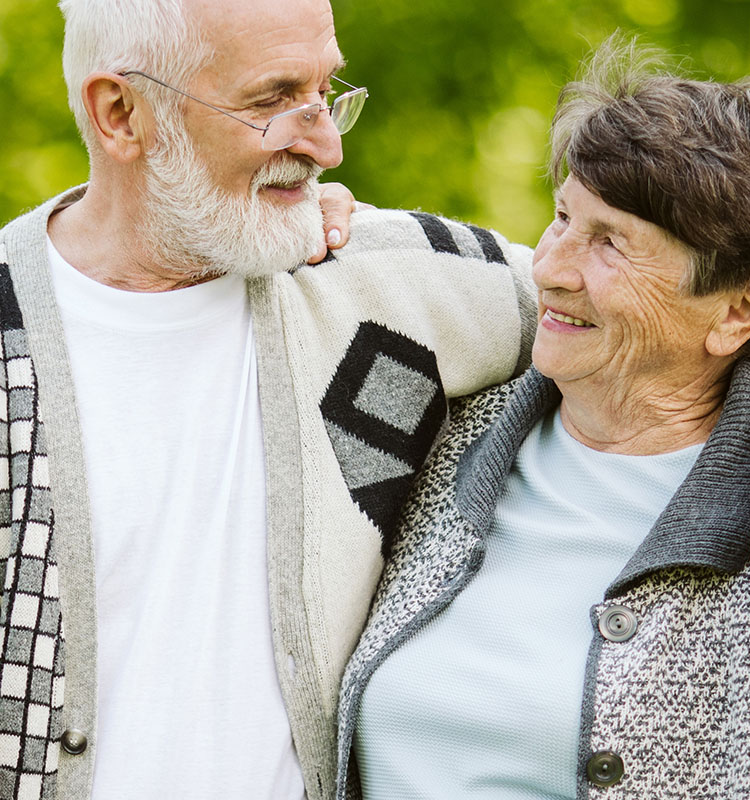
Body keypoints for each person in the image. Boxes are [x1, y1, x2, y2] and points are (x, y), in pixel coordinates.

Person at [0, 1, 540, 799]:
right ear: (121, 114)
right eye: (273, 99)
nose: (327, 142)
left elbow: (697, 304)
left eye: (327, 91)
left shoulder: (378, 282)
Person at [337, 40, 750, 800]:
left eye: (611, 243)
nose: (551, 267)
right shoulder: (444, 427)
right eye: (562, 217)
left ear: (738, 311)